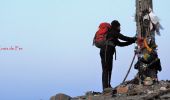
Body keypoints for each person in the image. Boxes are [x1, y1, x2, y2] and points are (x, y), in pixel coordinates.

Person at [100, 20, 137, 91]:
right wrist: (134, 39)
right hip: (106, 51)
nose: (120, 28)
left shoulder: (112, 35)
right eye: (119, 26)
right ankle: (105, 88)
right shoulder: (113, 32)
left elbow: (121, 44)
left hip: (106, 52)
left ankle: (108, 86)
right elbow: (124, 38)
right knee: (106, 69)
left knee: (109, 69)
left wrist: (132, 41)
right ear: (116, 26)